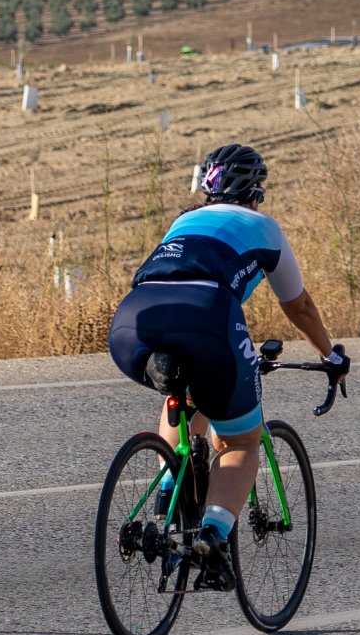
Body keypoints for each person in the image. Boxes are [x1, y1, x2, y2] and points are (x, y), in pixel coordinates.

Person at [107, 141, 344, 584]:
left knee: (184, 393)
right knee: (240, 442)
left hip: (131, 324)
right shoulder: (264, 227)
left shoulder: (184, 220)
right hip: (207, 319)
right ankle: (211, 537)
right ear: (255, 190)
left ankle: (167, 486)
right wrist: (329, 354)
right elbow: (300, 307)